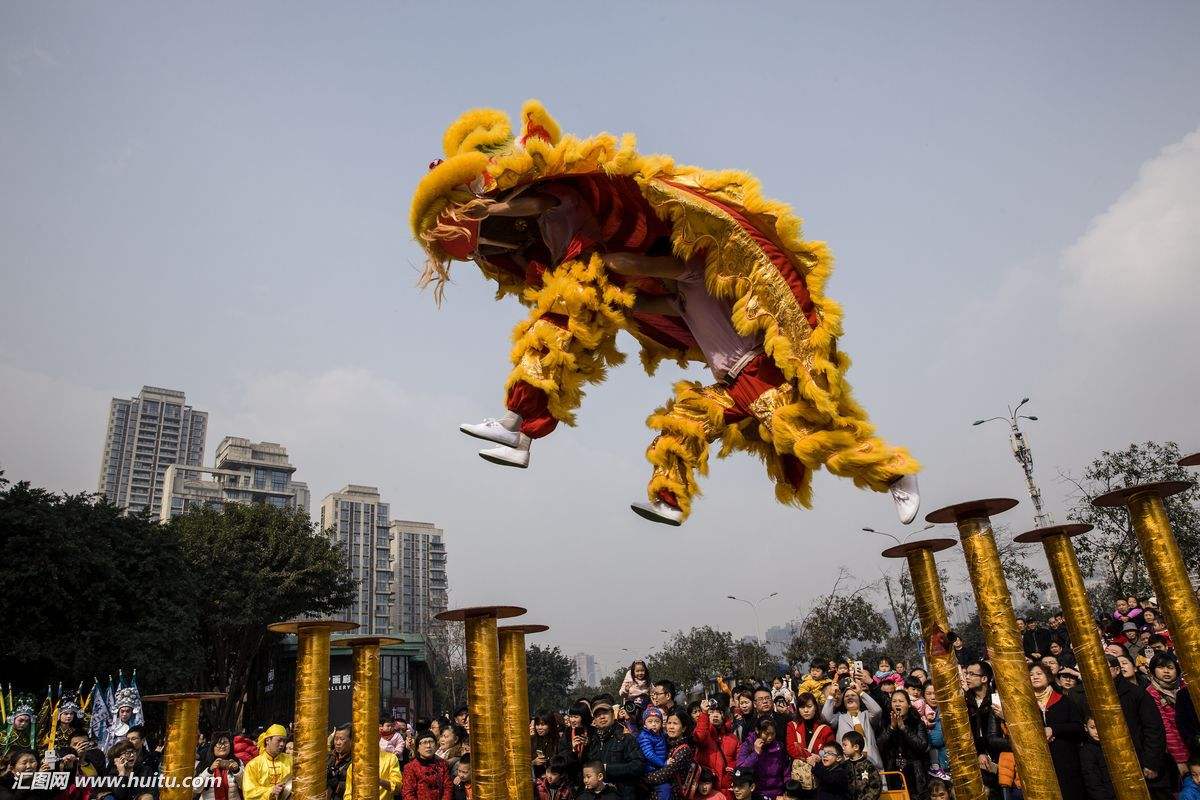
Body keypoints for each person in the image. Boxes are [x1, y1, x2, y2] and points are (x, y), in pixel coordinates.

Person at [1030, 664, 1084, 800]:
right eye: (1031, 674)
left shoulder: (1064, 701)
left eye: (1039, 673)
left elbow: (1078, 727)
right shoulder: (1025, 704)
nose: (1035, 677)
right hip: (1038, 762)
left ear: (1048, 677)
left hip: (1066, 761)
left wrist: (1054, 729)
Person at [873, 690, 930, 800]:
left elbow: (922, 746)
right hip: (893, 772)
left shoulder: (917, 722)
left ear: (908, 704)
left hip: (915, 772)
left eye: (901, 701)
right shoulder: (885, 722)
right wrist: (892, 728)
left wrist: (904, 728)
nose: (897, 704)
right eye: (894, 701)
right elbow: (879, 745)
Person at [583, 702, 644, 800]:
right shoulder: (591, 741)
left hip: (621, 794)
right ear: (594, 720)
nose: (602, 717)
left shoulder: (626, 738)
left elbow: (638, 766)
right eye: (598, 715)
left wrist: (608, 769)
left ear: (613, 715)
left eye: (605, 713)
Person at [822, 679, 884, 769]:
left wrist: (860, 692)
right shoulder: (840, 717)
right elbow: (826, 716)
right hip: (848, 764)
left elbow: (877, 710)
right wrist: (831, 695)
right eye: (846, 696)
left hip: (871, 762)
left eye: (853, 695)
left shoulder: (866, 715)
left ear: (859, 699)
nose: (849, 697)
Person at [1146, 653, 1190, 776]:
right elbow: (1165, 727)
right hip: (1174, 747)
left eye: (1170, 668)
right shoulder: (1152, 692)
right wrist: (1179, 758)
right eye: (1160, 667)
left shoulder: (1184, 685)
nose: (1166, 671)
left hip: (1191, 738)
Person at [647, 711, 697, 800]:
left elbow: (665, 773)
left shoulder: (684, 750)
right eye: (669, 723)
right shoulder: (665, 742)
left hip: (672, 795)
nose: (671, 727)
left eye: (675, 723)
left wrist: (645, 778)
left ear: (683, 728)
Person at [736, 717, 787, 800]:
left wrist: (787, 791)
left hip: (778, 793)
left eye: (773, 734)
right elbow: (741, 769)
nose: (770, 737)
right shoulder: (748, 745)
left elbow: (786, 770)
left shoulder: (779, 746)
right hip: (757, 793)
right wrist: (755, 753)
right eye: (766, 734)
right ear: (757, 730)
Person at [243, 725, 293, 800]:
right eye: (279, 740)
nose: (282, 744)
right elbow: (249, 793)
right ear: (267, 740)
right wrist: (271, 791)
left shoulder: (291, 760)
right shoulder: (253, 765)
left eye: (284, 741)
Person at [786, 693, 834, 771]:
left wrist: (819, 757)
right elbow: (791, 748)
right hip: (800, 773)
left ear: (815, 707)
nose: (805, 710)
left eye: (809, 706)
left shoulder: (825, 729)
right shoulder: (792, 726)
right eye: (802, 707)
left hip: (820, 771)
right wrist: (811, 756)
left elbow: (831, 751)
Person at [402, 731, 451, 800]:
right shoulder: (410, 767)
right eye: (424, 742)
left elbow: (448, 787)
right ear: (418, 748)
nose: (428, 746)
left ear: (436, 746)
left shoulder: (442, 764)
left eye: (431, 742)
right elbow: (408, 793)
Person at [196, 732, 244, 800]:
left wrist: (237, 771)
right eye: (219, 743)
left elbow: (245, 786)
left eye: (225, 743)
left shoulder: (238, 762)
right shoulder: (204, 764)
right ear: (213, 746)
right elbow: (196, 788)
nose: (222, 746)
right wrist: (209, 771)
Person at [1079, 718, 1115, 800]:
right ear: (1086, 728)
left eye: (1100, 727)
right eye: (1093, 727)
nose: (1097, 732)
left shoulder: (1112, 745)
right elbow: (1091, 780)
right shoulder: (1086, 751)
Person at [637, 708, 669, 800]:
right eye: (650, 721)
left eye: (657, 721)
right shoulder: (644, 736)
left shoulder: (660, 734)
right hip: (650, 770)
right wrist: (664, 764)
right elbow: (648, 754)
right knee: (665, 788)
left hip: (657, 768)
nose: (654, 724)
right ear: (644, 724)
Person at [840, 733, 881, 800]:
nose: (843, 748)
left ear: (856, 747)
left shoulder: (868, 766)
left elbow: (876, 786)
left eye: (845, 745)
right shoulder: (844, 766)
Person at [532, 712, 562, 778]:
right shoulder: (532, 741)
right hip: (537, 781)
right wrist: (533, 762)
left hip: (555, 781)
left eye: (543, 724)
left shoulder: (559, 742)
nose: (539, 728)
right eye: (537, 724)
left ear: (550, 725)